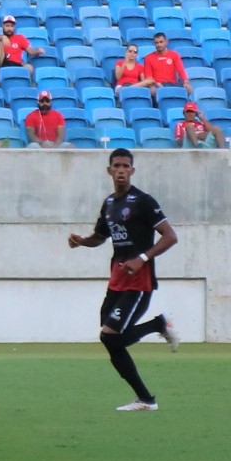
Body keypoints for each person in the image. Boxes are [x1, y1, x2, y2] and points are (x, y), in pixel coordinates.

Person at [68, 148, 178, 413]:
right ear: (109, 170)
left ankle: (147, 395)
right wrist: (82, 241)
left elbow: (170, 236)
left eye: (125, 166)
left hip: (139, 282)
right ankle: (145, 398)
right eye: (116, 166)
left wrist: (143, 257)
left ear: (132, 171)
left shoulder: (143, 201)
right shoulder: (109, 203)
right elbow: (100, 237)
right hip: (117, 280)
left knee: (111, 337)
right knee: (109, 338)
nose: (120, 170)